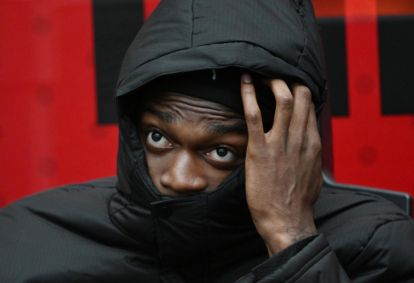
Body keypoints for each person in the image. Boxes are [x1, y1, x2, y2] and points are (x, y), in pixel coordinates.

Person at [1, 0, 413, 282]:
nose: (179, 178)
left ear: (293, 140)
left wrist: (292, 239)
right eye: (159, 137)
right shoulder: (26, 240)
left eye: (220, 151)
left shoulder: (375, 245)